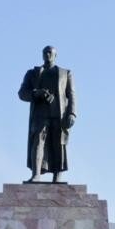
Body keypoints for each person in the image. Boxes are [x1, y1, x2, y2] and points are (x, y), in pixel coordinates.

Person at [18, 45, 76, 183]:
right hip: (40, 115)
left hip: (59, 115)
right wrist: (35, 93)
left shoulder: (65, 73)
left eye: (50, 52)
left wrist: (72, 113)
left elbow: (72, 94)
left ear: (55, 55)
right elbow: (22, 93)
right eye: (45, 52)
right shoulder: (33, 73)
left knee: (58, 144)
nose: (47, 55)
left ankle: (57, 176)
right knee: (38, 142)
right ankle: (36, 174)